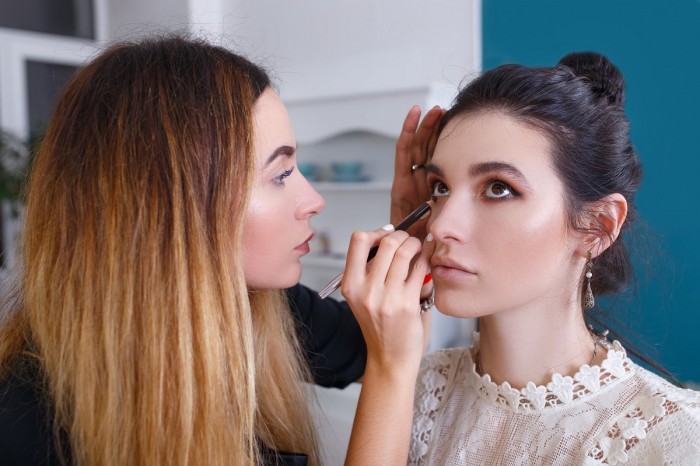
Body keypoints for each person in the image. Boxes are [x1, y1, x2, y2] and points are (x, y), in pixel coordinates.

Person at [0, 35, 441, 465]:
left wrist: (411, 248)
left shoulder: (264, 303)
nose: (313, 200)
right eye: (281, 174)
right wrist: (392, 374)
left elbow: (372, 347)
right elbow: (385, 358)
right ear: (176, 210)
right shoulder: (26, 426)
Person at [341, 52, 700, 464]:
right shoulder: (417, 388)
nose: (440, 227)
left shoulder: (671, 439)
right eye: (440, 188)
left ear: (598, 226)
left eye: (498, 188)